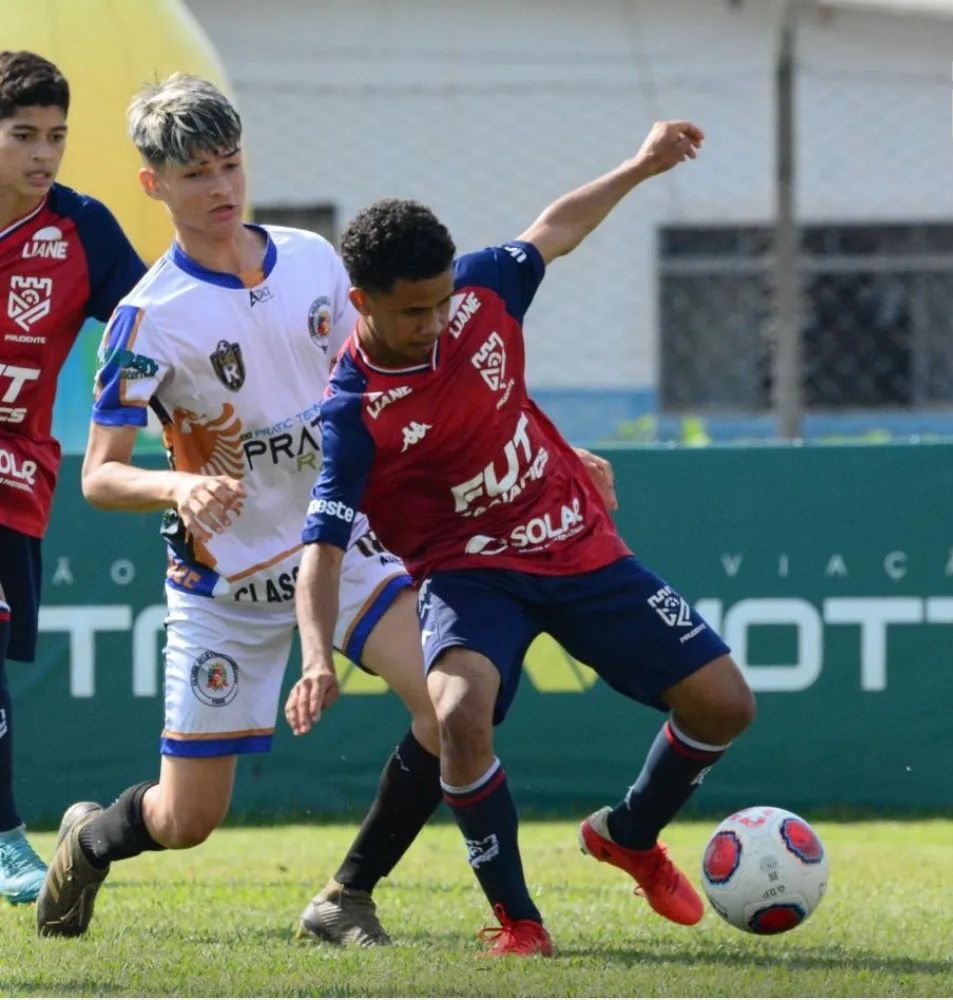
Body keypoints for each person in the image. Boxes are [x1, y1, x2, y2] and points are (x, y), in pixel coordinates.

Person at [34, 73, 617, 943]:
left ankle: (345, 896)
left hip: (345, 548)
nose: (221, 187)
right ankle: (91, 838)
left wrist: (548, 447)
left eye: (229, 164)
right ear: (154, 185)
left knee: (457, 707)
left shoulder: (317, 261)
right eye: (194, 174)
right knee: (187, 820)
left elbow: (431, 370)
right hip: (224, 583)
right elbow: (100, 476)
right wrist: (181, 484)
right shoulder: (146, 318)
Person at [288, 119, 756, 957]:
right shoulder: (352, 413)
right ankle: (520, 923)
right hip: (470, 576)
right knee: (459, 716)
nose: (433, 322)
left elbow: (556, 229)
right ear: (360, 302)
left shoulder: (481, 290)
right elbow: (320, 546)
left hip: (574, 537)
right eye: (410, 312)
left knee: (725, 704)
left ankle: (629, 833)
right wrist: (318, 657)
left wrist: (641, 167)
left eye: (439, 302)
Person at [0, 50, 145, 905]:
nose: (43, 153)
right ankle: (7, 836)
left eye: (56, 136)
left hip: (15, 476)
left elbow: (153, 329)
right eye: (23, 135)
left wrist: (141, 417)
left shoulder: (80, 229)